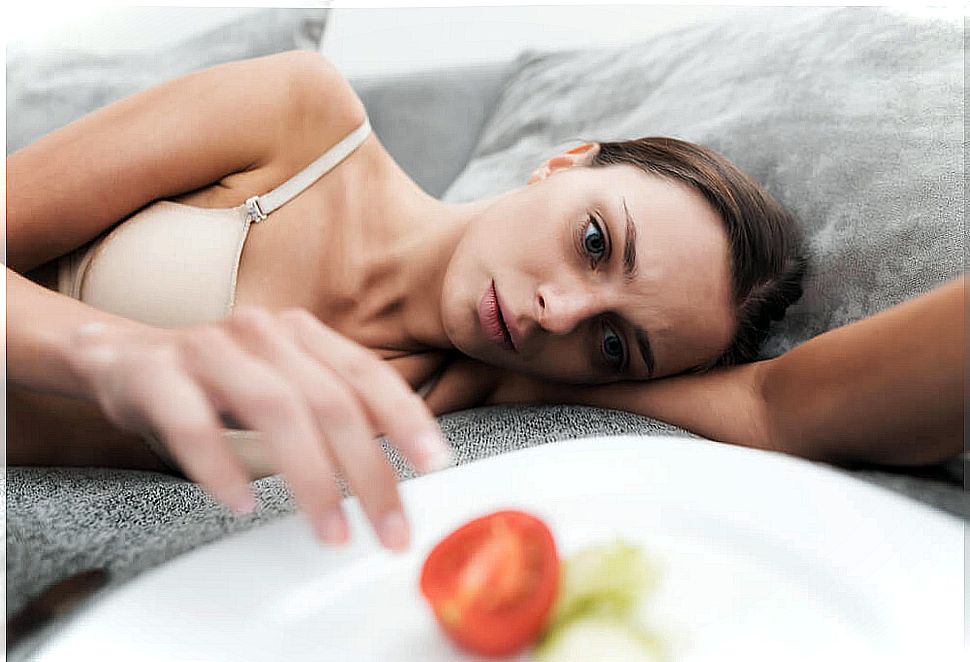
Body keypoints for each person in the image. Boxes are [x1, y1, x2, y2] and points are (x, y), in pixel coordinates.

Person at [7, 51, 960, 552]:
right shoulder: (297, 118)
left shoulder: (476, 389)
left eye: (615, 344)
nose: (558, 314)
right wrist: (119, 354)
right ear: (564, 159)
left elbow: (780, 404)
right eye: (596, 243)